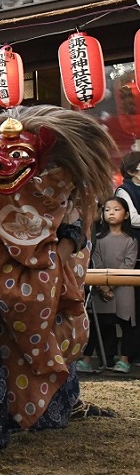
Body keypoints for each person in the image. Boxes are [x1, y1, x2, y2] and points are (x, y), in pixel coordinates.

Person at [0, 106, 117, 463]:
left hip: (43, 261)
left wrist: (60, 254)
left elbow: (75, 224)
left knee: (54, 315)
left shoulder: (64, 183)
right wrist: (30, 286)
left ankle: (60, 403)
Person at [78, 197, 137, 373]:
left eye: (116, 209)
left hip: (124, 288)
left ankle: (124, 360)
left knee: (126, 323)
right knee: (99, 325)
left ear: (126, 215)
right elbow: (96, 261)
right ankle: (90, 360)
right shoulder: (97, 239)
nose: (111, 213)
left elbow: (129, 264)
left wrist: (110, 285)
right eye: (107, 210)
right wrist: (103, 287)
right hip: (100, 289)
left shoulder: (131, 240)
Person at [114, 151, 140, 367]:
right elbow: (133, 219)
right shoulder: (124, 190)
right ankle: (127, 355)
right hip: (133, 250)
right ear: (132, 170)